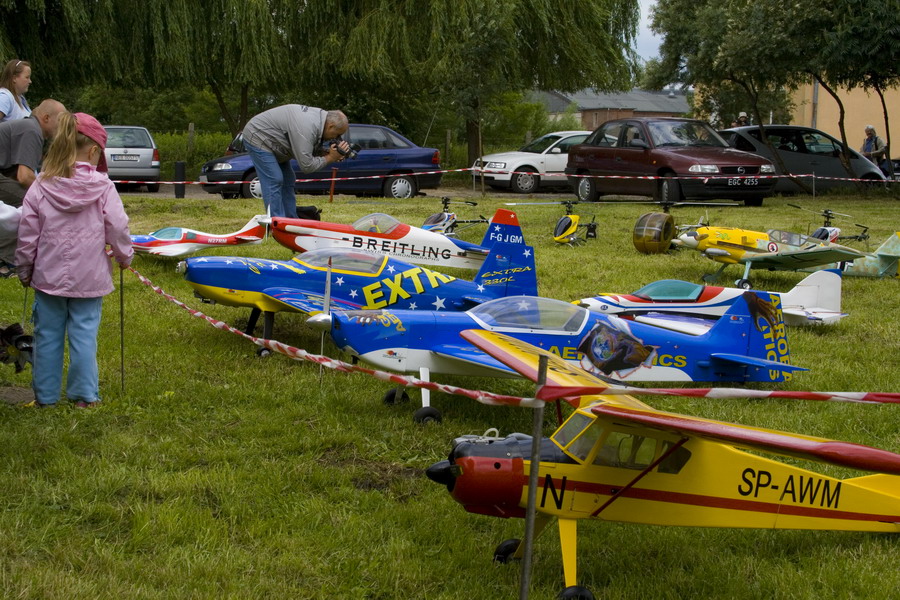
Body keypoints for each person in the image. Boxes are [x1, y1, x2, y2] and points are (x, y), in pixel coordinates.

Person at [15, 112, 133, 408]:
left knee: (47, 336)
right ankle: (83, 396)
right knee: (84, 336)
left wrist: (25, 269)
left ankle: (46, 397)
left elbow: (27, 233)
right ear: (93, 151)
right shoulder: (103, 187)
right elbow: (118, 227)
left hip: (48, 276)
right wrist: (124, 256)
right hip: (89, 277)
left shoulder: (40, 185)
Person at [242, 105, 351, 218]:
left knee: (288, 179)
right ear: (330, 126)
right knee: (274, 178)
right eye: (337, 134)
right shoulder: (307, 127)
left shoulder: (319, 121)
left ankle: (291, 220)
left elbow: (308, 149)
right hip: (257, 135)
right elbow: (307, 166)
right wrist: (330, 158)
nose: (337, 138)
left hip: (277, 142)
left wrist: (327, 152)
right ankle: (275, 223)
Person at [0, 99, 66, 208]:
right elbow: (24, 177)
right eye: (60, 121)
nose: (62, 126)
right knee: (36, 202)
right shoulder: (32, 130)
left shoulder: (29, 126)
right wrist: (53, 194)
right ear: (46, 118)